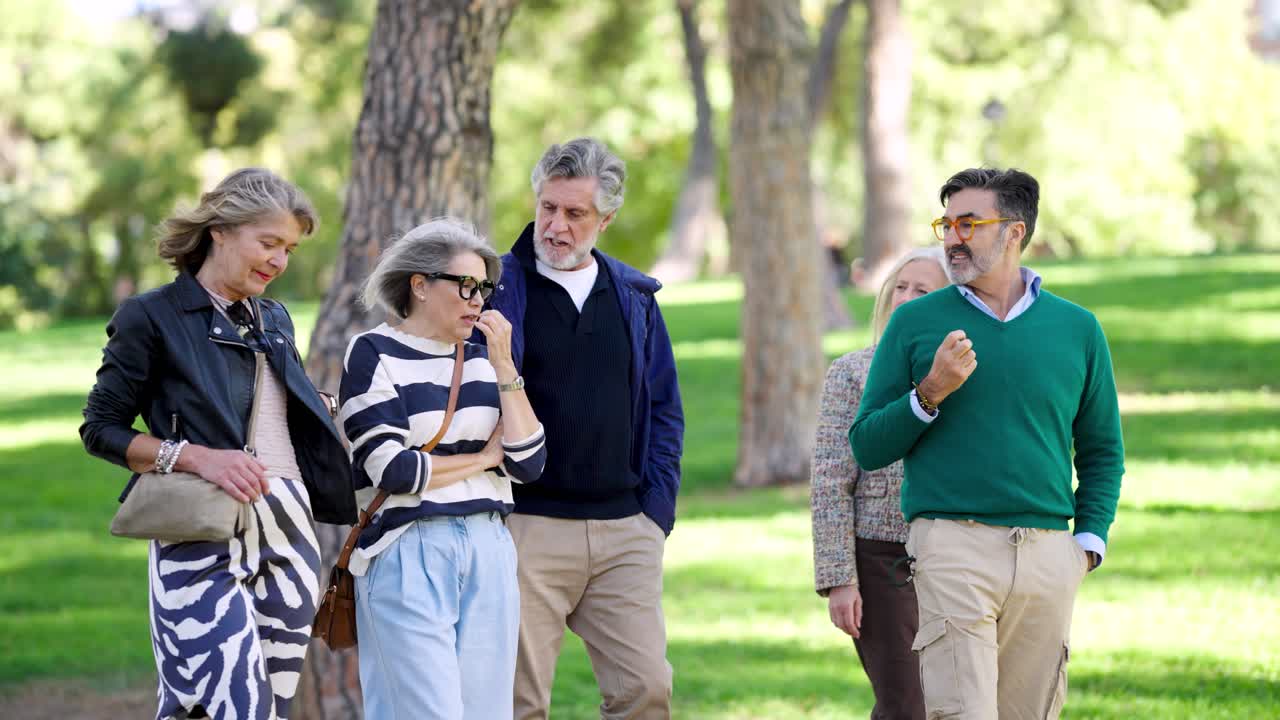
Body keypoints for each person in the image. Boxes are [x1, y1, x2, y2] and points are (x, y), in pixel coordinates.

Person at [79, 168, 357, 720]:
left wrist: (310, 407)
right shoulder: (152, 316)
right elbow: (99, 428)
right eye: (269, 242)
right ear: (221, 231)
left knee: (268, 708)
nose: (279, 261)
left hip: (289, 528)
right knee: (232, 706)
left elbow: (255, 411)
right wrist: (195, 456)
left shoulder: (273, 318)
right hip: (200, 530)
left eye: (290, 250)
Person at [849, 168, 1124, 719]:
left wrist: (1087, 543)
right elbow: (867, 444)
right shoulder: (916, 323)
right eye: (946, 224)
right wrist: (929, 393)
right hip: (952, 544)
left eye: (968, 223)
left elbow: (1101, 449)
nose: (952, 237)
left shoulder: (1078, 328)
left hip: (1048, 551)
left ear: (1014, 231)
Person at [475, 138, 684, 719]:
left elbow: (664, 406)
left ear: (606, 219)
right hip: (527, 529)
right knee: (518, 704)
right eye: (548, 207)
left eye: (575, 213)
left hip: (626, 532)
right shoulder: (496, 287)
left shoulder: (636, 296)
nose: (556, 225)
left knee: (646, 691)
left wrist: (655, 510)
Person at [339, 218, 546, 720]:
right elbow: (394, 469)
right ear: (420, 286)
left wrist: (505, 367)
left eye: (485, 289)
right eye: (466, 286)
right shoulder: (372, 353)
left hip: (489, 549)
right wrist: (481, 459)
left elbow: (529, 461)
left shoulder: (485, 359)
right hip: (408, 550)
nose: (479, 300)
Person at [811, 246, 948, 720]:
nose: (905, 298)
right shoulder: (852, 372)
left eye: (923, 290)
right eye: (900, 288)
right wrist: (839, 580)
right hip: (882, 559)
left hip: (960, 555)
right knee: (905, 705)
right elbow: (830, 479)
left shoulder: (973, 374)